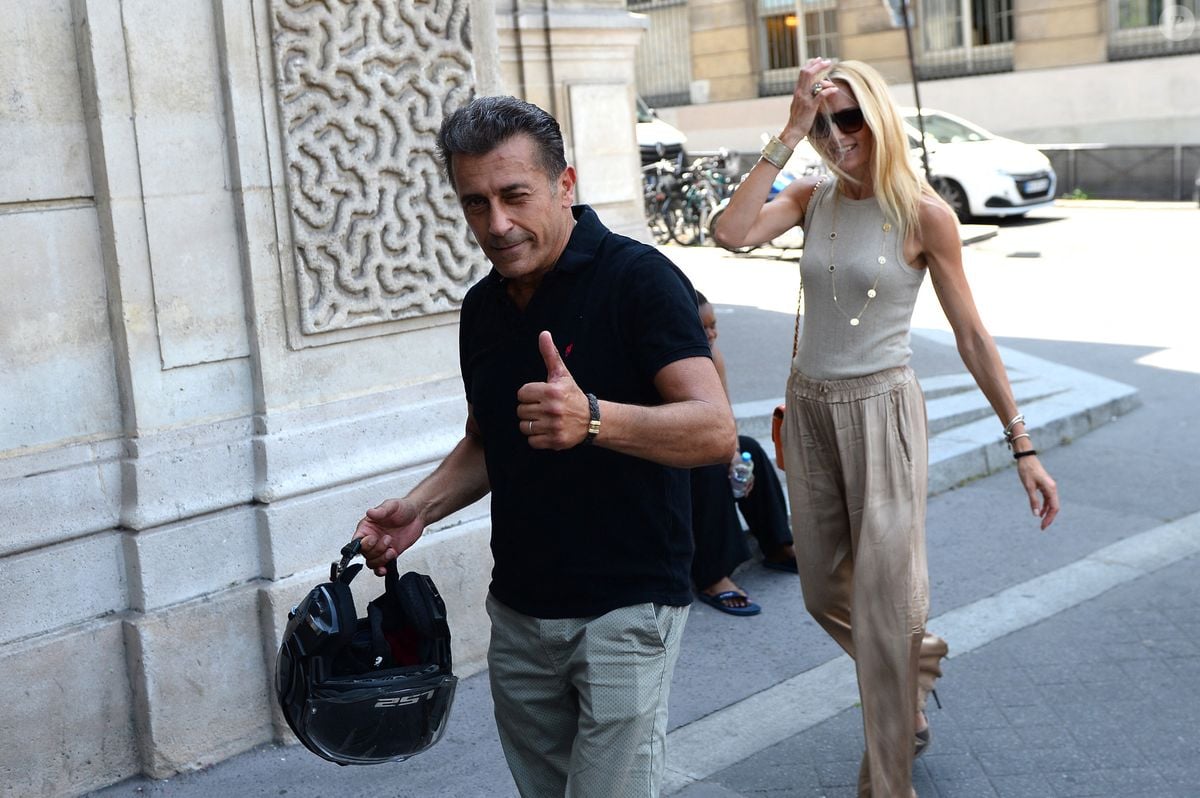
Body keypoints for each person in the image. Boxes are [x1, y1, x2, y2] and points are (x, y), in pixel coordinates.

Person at [353, 95, 737, 798]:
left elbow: (715, 430)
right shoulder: (481, 307)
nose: (496, 225)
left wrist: (594, 420)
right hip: (521, 609)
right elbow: (487, 442)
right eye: (475, 204)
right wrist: (419, 509)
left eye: (514, 195)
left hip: (627, 605)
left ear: (565, 185)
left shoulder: (639, 280)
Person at [714, 59, 1059, 797]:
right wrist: (787, 127)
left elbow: (971, 334)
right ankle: (908, 673)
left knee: (883, 599)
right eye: (823, 121)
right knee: (818, 592)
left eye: (850, 119)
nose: (838, 137)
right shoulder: (811, 196)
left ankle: (886, 775)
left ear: (879, 117)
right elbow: (732, 232)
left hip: (883, 413)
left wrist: (1020, 444)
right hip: (808, 410)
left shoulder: (925, 214)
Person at [691, 291, 797, 616]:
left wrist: (735, 455)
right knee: (707, 459)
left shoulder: (713, 357)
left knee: (747, 447)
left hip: (702, 442)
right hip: (669, 460)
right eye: (703, 327)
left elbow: (725, 417)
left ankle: (778, 545)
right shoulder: (669, 360)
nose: (712, 333)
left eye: (714, 324)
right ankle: (713, 576)